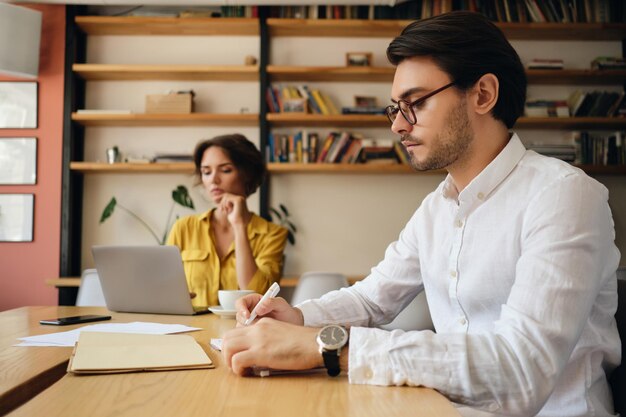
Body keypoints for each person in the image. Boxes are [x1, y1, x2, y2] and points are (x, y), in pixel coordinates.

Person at [221, 11, 622, 417]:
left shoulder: (564, 196)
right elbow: (373, 298)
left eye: (414, 103)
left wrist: (329, 345)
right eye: (395, 108)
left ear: (483, 94)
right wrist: (298, 316)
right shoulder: (437, 208)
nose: (397, 125)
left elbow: (521, 369)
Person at [167, 134, 288, 308]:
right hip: (191, 330)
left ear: (247, 174)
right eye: (206, 172)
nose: (213, 180)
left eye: (225, 170)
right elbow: (164, 288)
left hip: (246, 331)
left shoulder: (273, 234)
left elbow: (258, 295)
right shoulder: (184, 228)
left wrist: (239, 227)